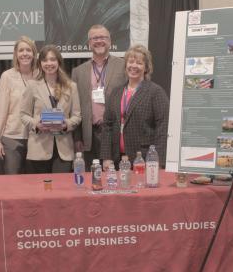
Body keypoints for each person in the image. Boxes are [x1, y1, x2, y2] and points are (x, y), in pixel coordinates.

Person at [101, 45, 169, 168]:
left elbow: (162, 129)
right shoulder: (116, 92)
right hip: (117, 160)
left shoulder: (155, 92)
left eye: (139, 63)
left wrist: (157, 161)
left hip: (143, 159)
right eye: (130, 62)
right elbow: (107, 126)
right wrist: (106, 157)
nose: (134, 66)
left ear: (146, 68)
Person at [20, 45, 81, 173]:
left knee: (61, 191)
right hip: (38, 148)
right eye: (45, 60)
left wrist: (66, 125)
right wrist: (36, 124)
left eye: (53, 59)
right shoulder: (32, 85)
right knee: (40, 191)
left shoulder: (71, 86)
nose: (49, 63)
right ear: (40, 63)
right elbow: (23, 115)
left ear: (59, 62)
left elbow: (77, 116)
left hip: (63, 150)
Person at [71, 25, 126, 164]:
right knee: (92, 179)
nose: (99, 41)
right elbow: (75, 106)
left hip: (115, 133)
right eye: (94, 38)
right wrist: (77, 137)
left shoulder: (124, 66)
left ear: (110, 41)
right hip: (89, 135)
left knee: (115, 179)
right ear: (89, 43)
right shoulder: (78, 72)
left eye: (103, 37)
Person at [0, 36, 38, 174]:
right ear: (16, 54)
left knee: (33, 183)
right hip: (12, 138)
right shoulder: (7, 76)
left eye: (28, 50)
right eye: (21, 50)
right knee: (12, 184)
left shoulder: (41, 75)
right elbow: (1, 109)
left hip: (37, 138)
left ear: (34, 53)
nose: (25, 53)